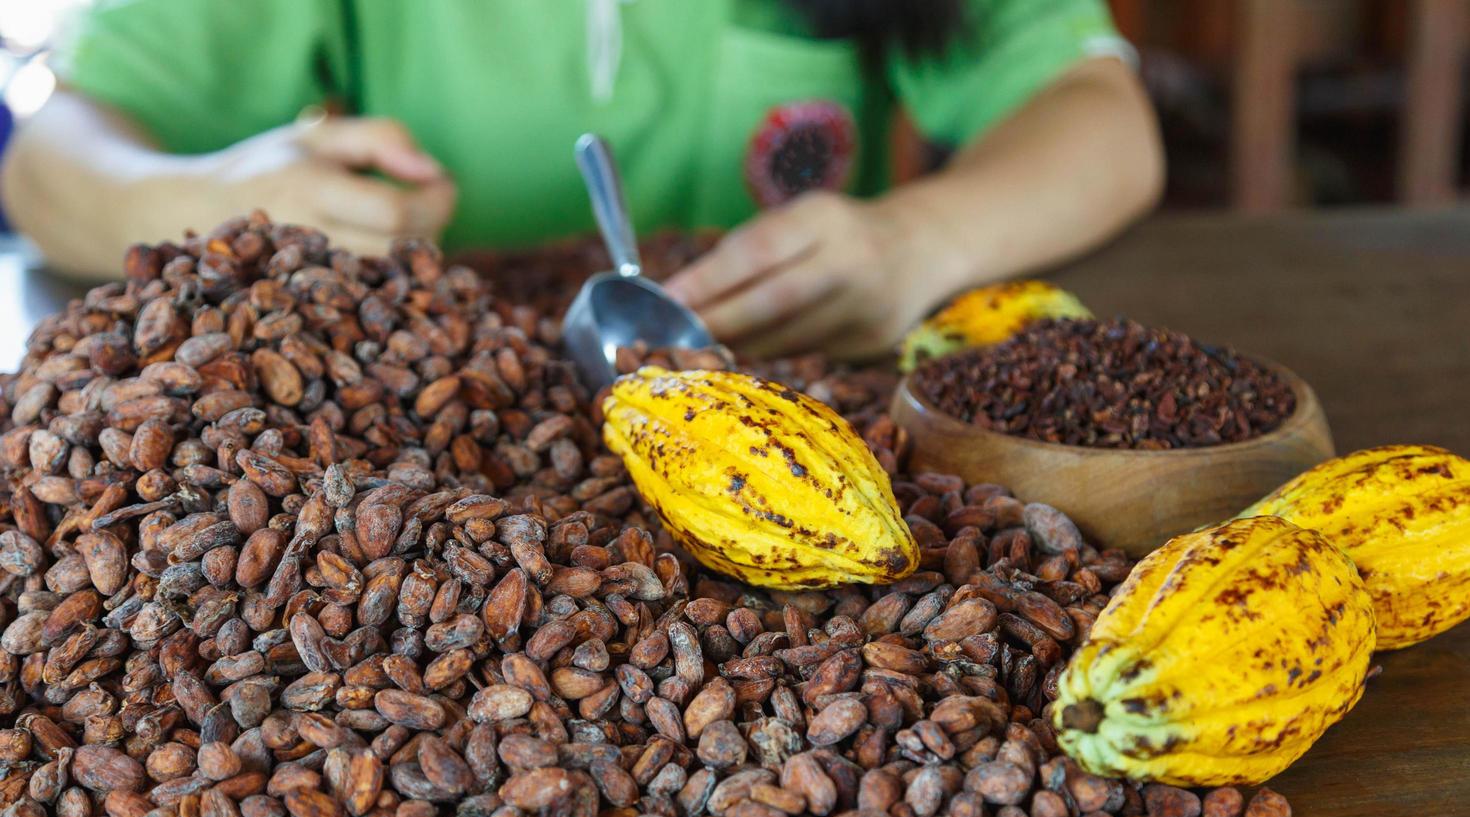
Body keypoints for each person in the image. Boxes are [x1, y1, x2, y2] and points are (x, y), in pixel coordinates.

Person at [1, 0, 1163, 361]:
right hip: (417, 393)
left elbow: (1102, 121)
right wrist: (216, 203)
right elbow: (54, 163)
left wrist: (922, 237)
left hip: (792, 369)